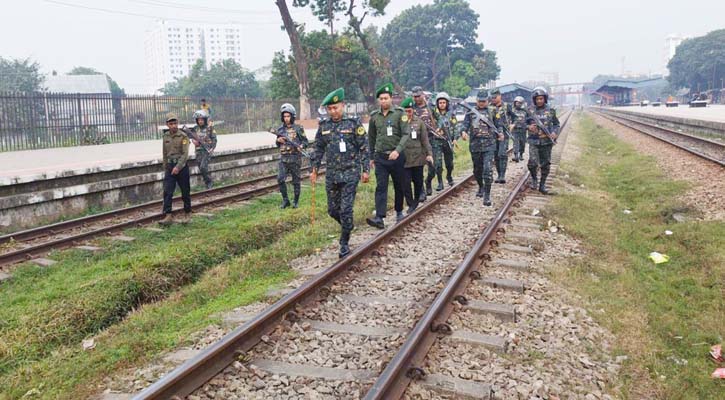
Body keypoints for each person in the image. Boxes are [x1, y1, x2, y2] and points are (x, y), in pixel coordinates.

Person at [311, 88, 370, 258]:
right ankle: (348, 225)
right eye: (330, 109)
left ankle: (344, 242)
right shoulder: (324, 126)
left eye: (335, 108)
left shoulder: (353, 123)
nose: (333, 111)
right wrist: (314, 169)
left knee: (345, 210)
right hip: (332, 174)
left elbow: (364, 148)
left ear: (343, 106)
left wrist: (365, 170)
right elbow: (318, 149)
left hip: (350, 172)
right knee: (332, 210)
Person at [367, 83, 410, 228]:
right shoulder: (374, 116)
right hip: (381, 157)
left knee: (399, 184)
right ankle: (379, 217)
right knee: (381, 186)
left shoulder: (400, 113)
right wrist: (372, 157)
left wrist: (397, 150)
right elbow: (371, 137)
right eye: (381, 99)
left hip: (397, 156)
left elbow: (406, 134)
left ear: (391, 98)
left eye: (386, 98)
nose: (383, 101)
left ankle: (399, 211)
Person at [460, 92, 501, 206]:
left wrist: (501, 134)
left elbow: (499, 125)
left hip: (489, 145)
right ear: (477, 101)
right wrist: (463, 132)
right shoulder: (470, 112)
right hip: (475, 145)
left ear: (487, 101)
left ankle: (487, 195)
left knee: (487, 170)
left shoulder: (493, 111)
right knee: (477, 170)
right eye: (480, 101)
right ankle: (481, 186)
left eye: (484, 101)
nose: (482, 103)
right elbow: (465, 125)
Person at [400, 97, 433, 214]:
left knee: (418, 182)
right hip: (404, 158)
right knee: (405, 183)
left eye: (410, 111)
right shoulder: (399, 123)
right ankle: (410, 203)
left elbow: (425, 140)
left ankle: (415, 202)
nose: (408, 113)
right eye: (406, 111)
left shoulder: (419, 123)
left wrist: (429, 154)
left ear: (413, 110)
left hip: (418, 157)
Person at [274, 103, 309, 209]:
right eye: (284, 116)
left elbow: (305, 142)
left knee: (296, 181)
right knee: (280, 179)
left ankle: (296, 201)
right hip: (283, 159)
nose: (286, 119)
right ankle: (285, 200)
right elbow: (277, 144)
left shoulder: (298, 128)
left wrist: (301, 146)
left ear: (292, 116)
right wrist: (278, 140)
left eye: (288, 116)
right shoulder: (280, 130)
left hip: (295, 158)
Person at [159, 113, 192, 225]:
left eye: (175, 123)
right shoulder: (166, 136)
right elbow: (164, 153)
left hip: (181, 167)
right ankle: (168, 215)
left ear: (177, 123)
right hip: (170, 167)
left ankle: (187, 213)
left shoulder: (183, 136)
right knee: (167, 191)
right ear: (167, 125)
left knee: (185, 191)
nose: (173, 125)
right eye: (171, 123)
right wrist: (166, 167)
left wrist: (178, 167)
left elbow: (185, 154)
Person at [526, 87, 559, 194]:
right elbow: (522, 123)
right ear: (534, 100)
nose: (539, 101)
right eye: (537, 99)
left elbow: (556, 124)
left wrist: (554, 132)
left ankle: (542, 185)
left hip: (546, 142)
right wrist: (528, 127)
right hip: (534, 141)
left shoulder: (551, 110)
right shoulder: (529, 110)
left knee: (545, 164)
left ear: (545, 99)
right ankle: (534, 179)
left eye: (541, 98)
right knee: (532, 163)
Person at [427, 92, 459, 192]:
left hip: (447, 140)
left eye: (443, 102)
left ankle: (449, 176)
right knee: (438, 164)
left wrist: (455, 138)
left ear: (447, 103)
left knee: (449, 163)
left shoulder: (451, 114)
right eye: (440, 102)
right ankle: (440, 182)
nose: (442, 104)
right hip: (437, 141)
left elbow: (455, 127)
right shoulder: (433, 114)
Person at [411, 86, 436, 203]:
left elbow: (439, 118)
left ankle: (429, 181)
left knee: (433, 166)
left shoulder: (430, 107)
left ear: (423, 95)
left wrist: (439, 129)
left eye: (418, 96)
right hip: (417, 142)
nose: (416, 99)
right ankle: (421, 191)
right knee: (418, 167)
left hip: (431, 139)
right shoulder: (411, 108)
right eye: (414, 96)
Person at [488, 89, 515, 184]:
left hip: (504, 133)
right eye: (492, 97)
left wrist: (513, 124)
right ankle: (499, 174)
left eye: (495, 97)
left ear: (500, 96)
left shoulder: (507, 106)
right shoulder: (489, 107)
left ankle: (502, 175)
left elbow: (514, 116)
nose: (494, 99)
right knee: (495, 155)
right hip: (492, 134)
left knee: (502, 154)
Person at [188, 109, 217, 189]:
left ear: (205, 120)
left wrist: (212, 148)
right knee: (201, 168)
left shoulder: (209, 128)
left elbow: (214, 139)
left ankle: (209, 182)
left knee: (203, 167)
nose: (200, 121)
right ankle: (207, 181)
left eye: (201, 120)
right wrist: (193, 141)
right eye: (198, 120)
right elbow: (190, 137)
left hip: (207, 151)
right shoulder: (195, 128)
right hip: (198, 151)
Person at [510, 96, 528, 162]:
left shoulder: (525, 111)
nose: (518, 104)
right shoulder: (512, 111)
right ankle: (516, 156)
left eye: (520, 103)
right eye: (517, 103)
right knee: (515, 143)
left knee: (522, 143)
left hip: (523, 130)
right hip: (515, 130)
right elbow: (510, 119)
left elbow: (528, 120)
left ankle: (521, 154)